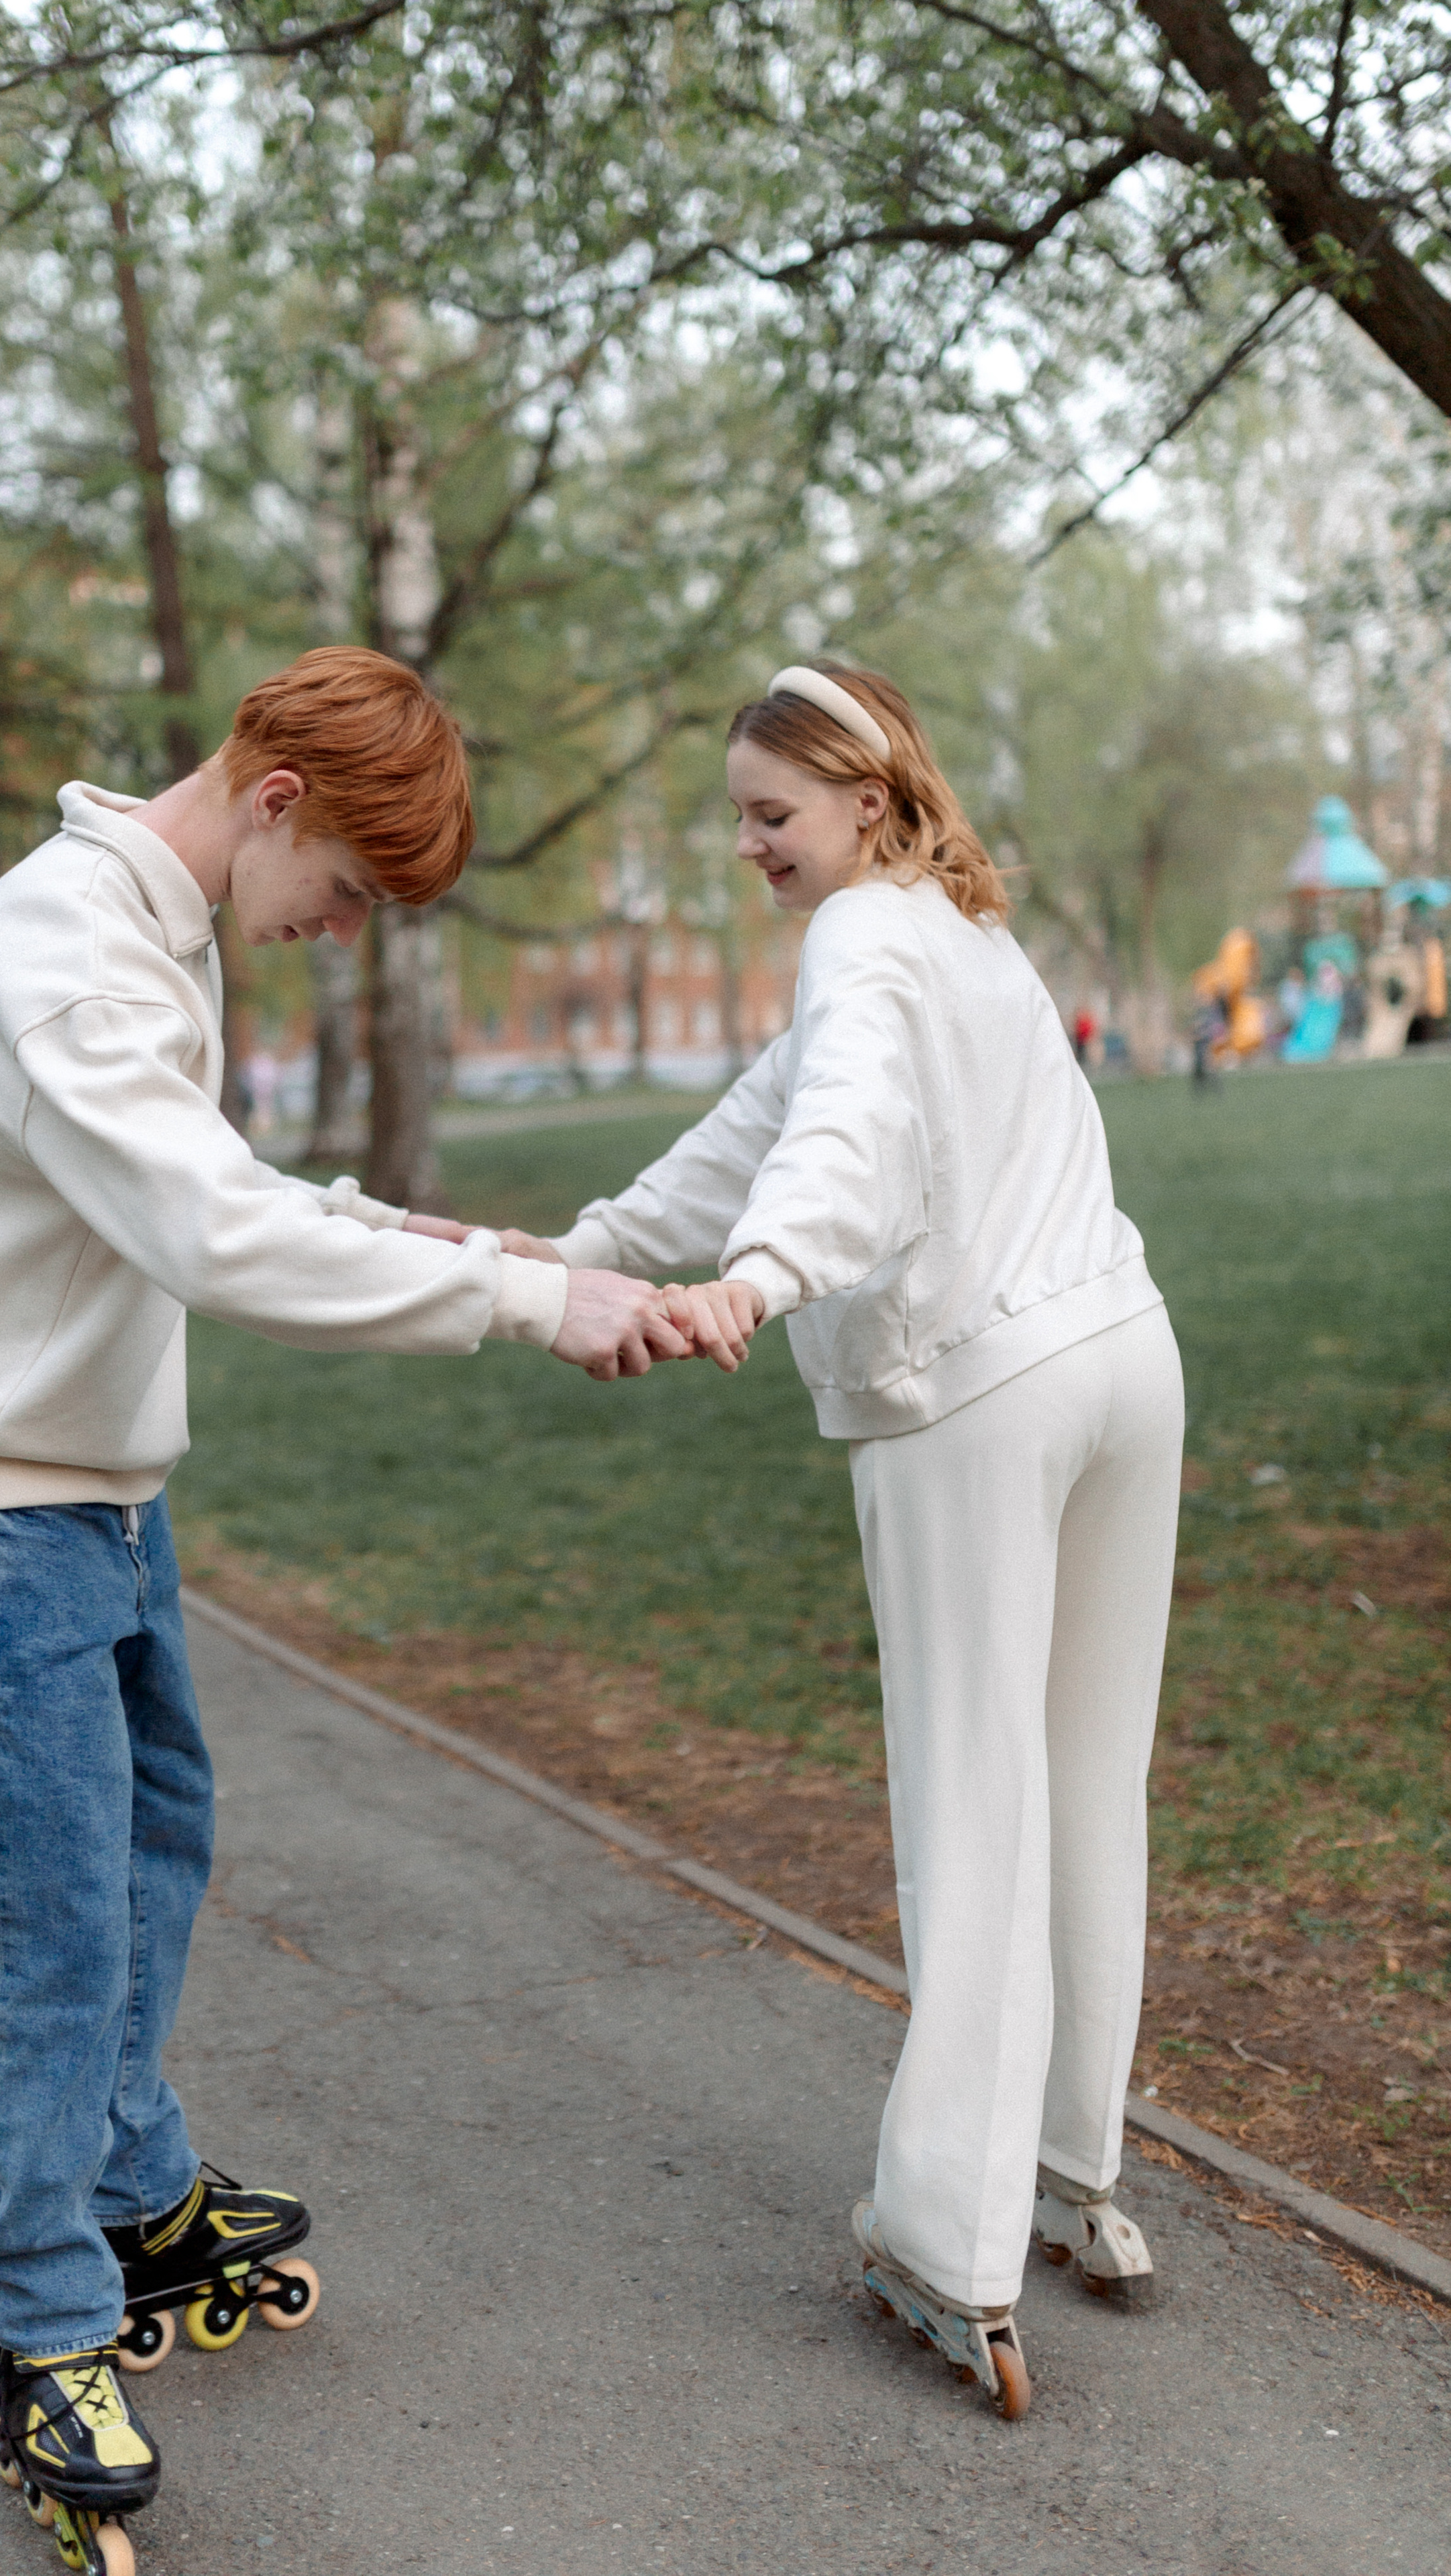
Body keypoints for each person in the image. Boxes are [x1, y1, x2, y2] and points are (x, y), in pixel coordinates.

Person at [0, 645, 690, 2573]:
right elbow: (209, 1236)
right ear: (281, 801)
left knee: (156, 1842)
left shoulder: (156, 931)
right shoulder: (69, 953)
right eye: (352, 897)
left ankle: (132, 2184)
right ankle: (48, 2322)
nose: (333, 934)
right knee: (54, 1925)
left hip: (86, 1493)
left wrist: (456, 1240)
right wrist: (528, 1306)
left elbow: (217, 1181)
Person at [500, 663, 1183, 2420]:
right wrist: (580, 1248)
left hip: (979, 1397)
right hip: (1124, 1361)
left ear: (865, 800)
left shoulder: (865, 946)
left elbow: (841, 1151)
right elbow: (760, 1126)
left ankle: (949, 2244)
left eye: (768, 815)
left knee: (976, 1803)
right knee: (1085, 1779)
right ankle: (1078, 2177)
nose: (749, 847)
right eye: (740, 815)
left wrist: (759, 1279)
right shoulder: (962, 933)